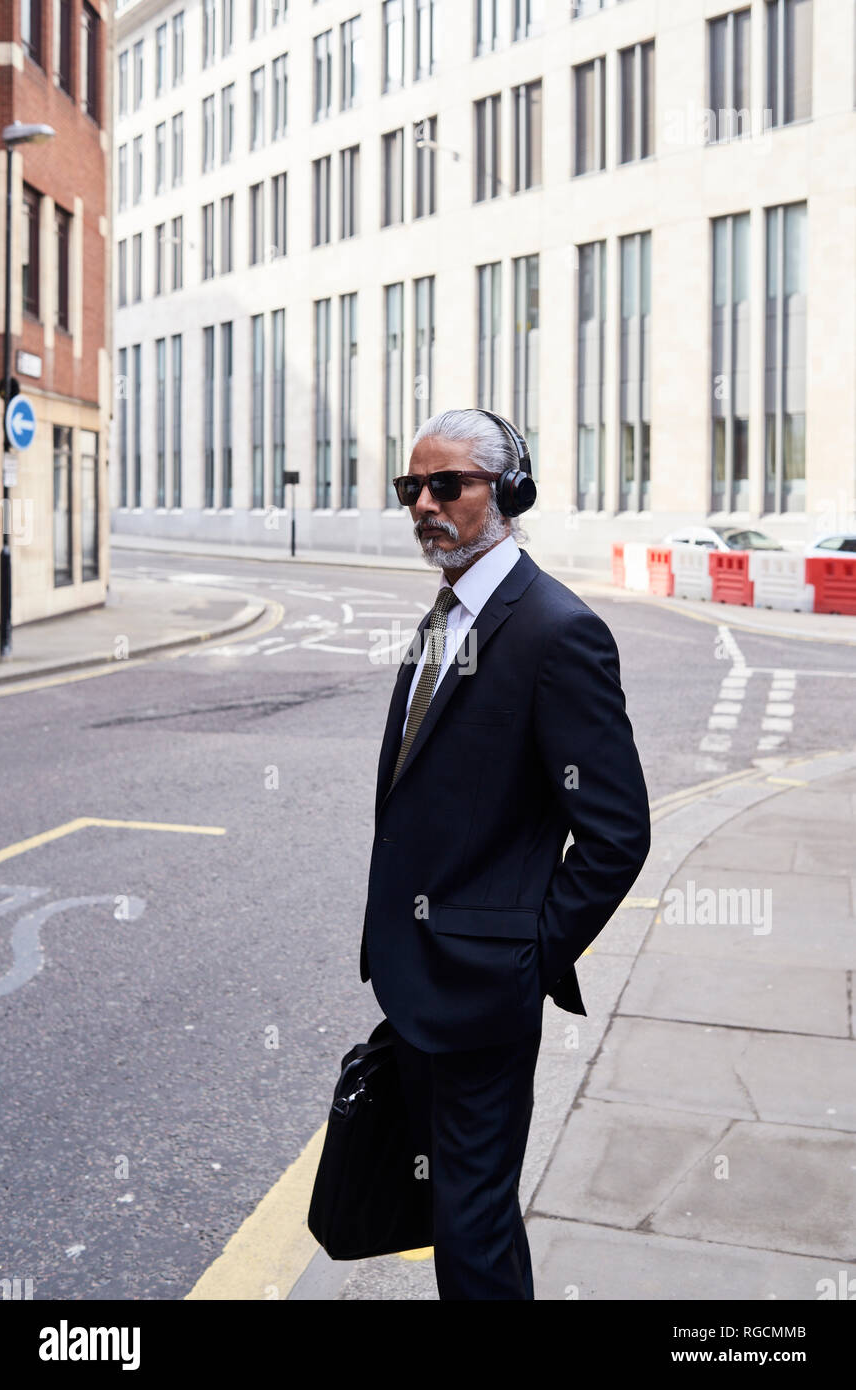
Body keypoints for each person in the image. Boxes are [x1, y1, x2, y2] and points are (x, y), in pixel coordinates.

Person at [358, 407, 651, 1299]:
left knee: (472, 1225)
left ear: (508, 492)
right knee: (461, 1214)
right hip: (416, 980)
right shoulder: (448, 610)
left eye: (449, 485)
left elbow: (616, 832)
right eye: (413, 487)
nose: (425, 505)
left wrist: (524, 957)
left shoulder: (555, 630)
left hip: (481, 991)